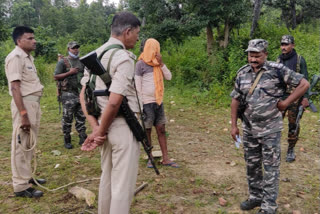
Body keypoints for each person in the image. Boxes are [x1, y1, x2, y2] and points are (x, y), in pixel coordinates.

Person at [230, 39, 309, 213]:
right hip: (249, 129)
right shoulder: (242, 73)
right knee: (252, 165)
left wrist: (286, 102)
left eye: (257, 55)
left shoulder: (277, 70)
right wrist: (234, 125)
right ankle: (256, 197)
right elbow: (235, 99)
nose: (253, 59)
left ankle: (269, 206)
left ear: (265, 54)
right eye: (251, 55)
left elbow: (304, 84)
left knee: (271, 168)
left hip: (270, 130)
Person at [79, 12, 141, 214]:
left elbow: (84, 95)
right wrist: (99, 131)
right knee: (122, 186)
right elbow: (114, 102)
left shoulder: (95, 54)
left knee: (107, 178)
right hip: (121, 127)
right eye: (137, 33)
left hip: (102, 127)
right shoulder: (123, 57)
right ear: (127, 31)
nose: (138, 38)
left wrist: (96, 127)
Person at [5, 26, 46, 198]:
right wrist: (23, 114)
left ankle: (27, 176)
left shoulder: (28, 57)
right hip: (25, 104)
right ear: (19, 41)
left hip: (33, 103)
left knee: (29, 142)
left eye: (33, 37)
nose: (34, 40)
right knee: (21, 144)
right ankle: (20, 186)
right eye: (29, 38)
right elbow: (15, 87)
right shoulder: (15, 57)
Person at [135, 38, 178, 168]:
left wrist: (162, 63)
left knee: (161, 129)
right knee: (147, 130)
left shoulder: (158, 63)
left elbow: (169, 77)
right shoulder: (140, 64)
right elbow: (137, 86)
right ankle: (150, 157)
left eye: (157, 48)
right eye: (153, 48)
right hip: (146, 103)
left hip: (158, 102)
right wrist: (140, 106)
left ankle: (165, 158)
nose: (155, 51)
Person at [277, 35, 309, 162]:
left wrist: (305, 98)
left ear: (293, 45)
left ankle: (290, 149)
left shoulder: (300, 60)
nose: (283, 47)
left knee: (293, 125)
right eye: (282, 44)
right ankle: (274, 147)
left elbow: (305, 80)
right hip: (280, 97)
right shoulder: (278, 59)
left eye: (286, 44)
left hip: (295, 98)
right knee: (275, 124)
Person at [54, 41, 87, 149]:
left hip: (80, 92)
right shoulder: (63, 62)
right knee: (67, 117)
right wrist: (69, 72)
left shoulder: (82, 61)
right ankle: (67, 138)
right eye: (73, 48)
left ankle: (83, 137)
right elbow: (56, 76)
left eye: (77, 47)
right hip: (68, 94)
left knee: (81, 116)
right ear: (69, 49)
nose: (76, 50)